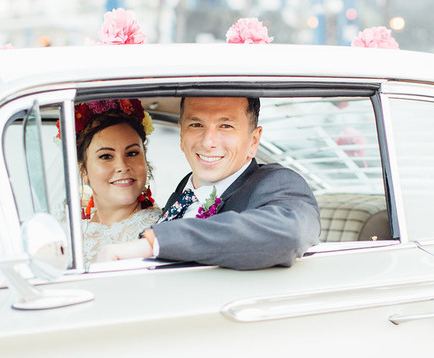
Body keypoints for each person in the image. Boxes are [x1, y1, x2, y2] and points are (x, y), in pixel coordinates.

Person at [94, 95, 320, 270]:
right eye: (196, 125)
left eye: (226, 126)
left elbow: (289, 233)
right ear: (181, 136)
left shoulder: (275, 183)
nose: (209, 142)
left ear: (253, 141)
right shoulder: (186, 189)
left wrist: (155, 242)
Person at [74, 98, 162, 266]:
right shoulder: (70, 219)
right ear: (83, 171)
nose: (122, 167)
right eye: (106, 156)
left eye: (132, 153)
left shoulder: (155, 232)